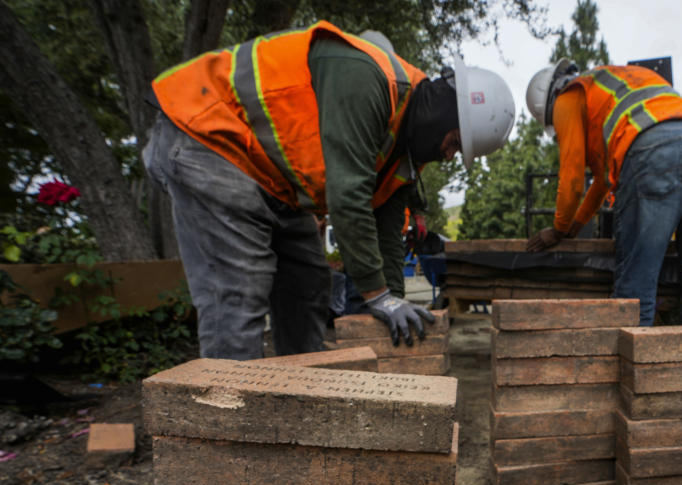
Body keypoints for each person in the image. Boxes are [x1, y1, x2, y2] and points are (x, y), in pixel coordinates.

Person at [144, 21, 514, 358]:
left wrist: (395, 302)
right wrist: (378, 298)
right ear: (444, 114)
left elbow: (386, 231)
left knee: (308, 283)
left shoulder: (403, 149)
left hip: (269, 175)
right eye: (453, 143)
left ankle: (302, 404)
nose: (449, 156)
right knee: (238, 297)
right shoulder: (368, 79)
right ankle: (228, 418)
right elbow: (348, 199)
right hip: (210, 134)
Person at [525, 60, 682, 326]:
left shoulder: (568, 96)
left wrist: (557, 229)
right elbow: (602, 183)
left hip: (659, 152)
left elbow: (572, 177)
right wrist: (574, 227)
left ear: (551, 100)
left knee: (634, 291)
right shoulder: (616, 86)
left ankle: (631, 367)